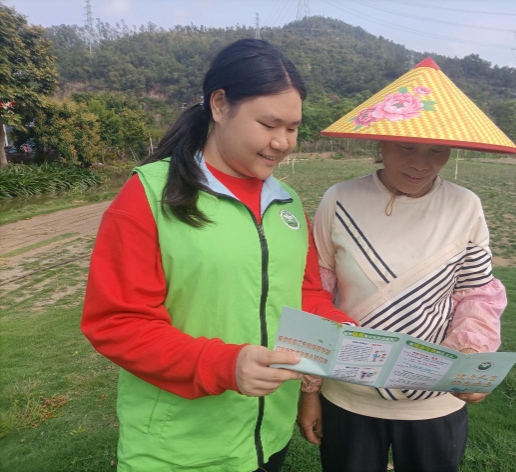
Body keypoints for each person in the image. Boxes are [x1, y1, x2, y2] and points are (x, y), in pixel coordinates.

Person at [81, 39, 356, 472]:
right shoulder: (150, 195)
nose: (283, 142)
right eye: (268, 124)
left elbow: (304, 294)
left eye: (293, 128)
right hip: (178, 449)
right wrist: (224, 364)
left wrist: (342, 330)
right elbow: (117, 322)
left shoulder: (287, 204)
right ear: (220, 105)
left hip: (268, 437)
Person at [297, 58, 516, 472]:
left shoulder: (465, 206)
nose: (421, 163)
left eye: (436, 150)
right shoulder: (339, 199)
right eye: (406, 147)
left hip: (434, 402)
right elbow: (315, 294)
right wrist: (310, 390)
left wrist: (470, 355)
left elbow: (476, 293)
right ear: (380, 143)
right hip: (348, 396)